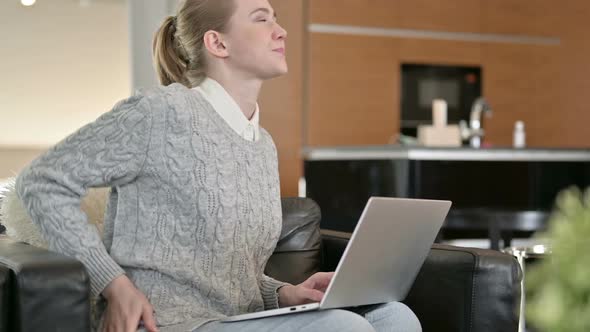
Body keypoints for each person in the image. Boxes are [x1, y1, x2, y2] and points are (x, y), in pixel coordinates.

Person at [15, 0, 422, 331]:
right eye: (262, 19)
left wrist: (283, 294)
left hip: (236, 320)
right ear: (218, 43)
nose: (280, 31)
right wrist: (114, 285)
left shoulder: (262, 144)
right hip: (165, 324)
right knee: (341, 329)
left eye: (276, 19)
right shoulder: (162, 112)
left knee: (394, 317)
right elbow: (40, 182)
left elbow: (227, 274)